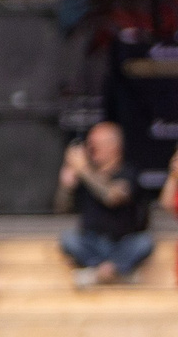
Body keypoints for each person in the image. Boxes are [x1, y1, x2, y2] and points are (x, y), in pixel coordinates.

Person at [59, 121, 152, 285]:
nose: (90, 150)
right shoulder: (86, 176)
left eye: (96, 145)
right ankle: (116, 272)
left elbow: (112, 196)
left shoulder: (128, 173)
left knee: (144, 242)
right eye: (89, 145)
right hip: (92, 241)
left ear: (114, 146)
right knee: (69, 239)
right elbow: (61, 208)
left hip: (122, 242)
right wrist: (66, 186)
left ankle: (98, 273)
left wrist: (84, 170)